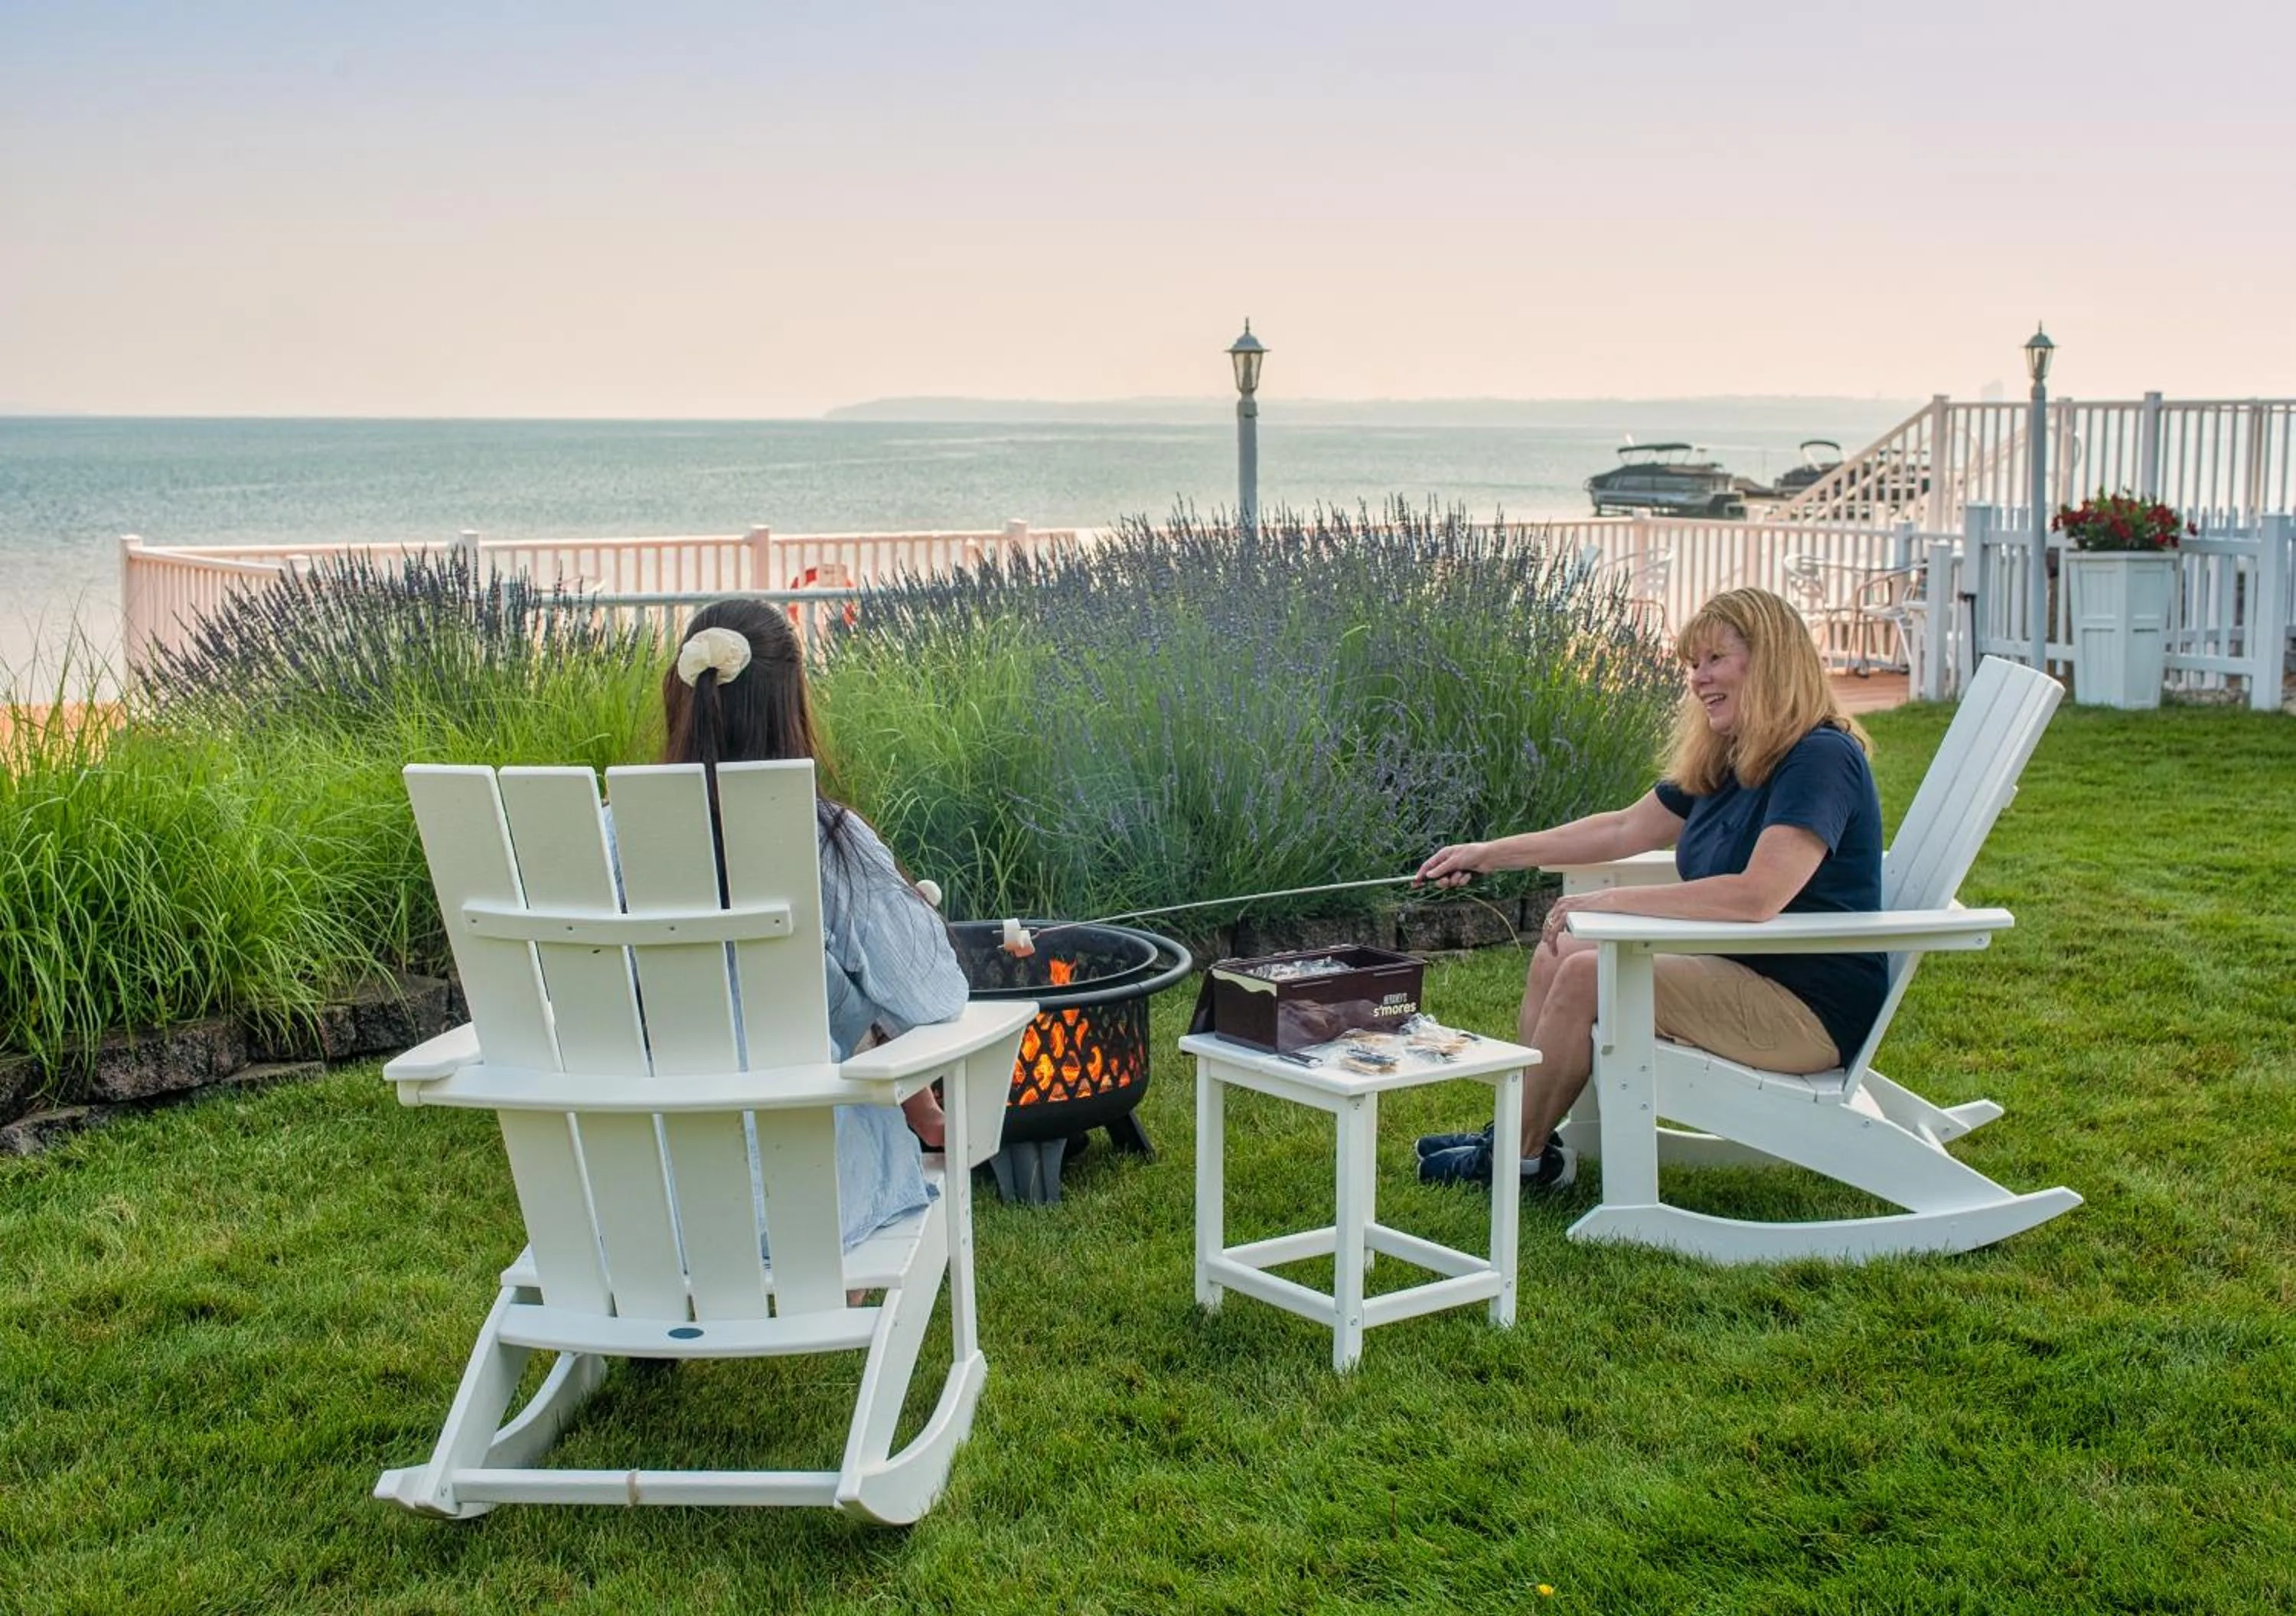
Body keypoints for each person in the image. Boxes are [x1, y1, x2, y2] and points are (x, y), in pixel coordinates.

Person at [1411, 586, 1885, 1191]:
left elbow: (1757, 895)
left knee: (1588, 973)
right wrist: (1490, 854)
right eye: (1693, 664)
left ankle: (1518, 1160)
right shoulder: (1733, 756)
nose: (1698, 678)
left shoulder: (1820, 757)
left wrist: (1609, 903)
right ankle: (1520, 1132)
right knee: (1561, 952)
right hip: (1744, 977)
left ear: (1769, 660)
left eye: (1715, 659)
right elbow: (1623, 828)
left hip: (1807, 1010)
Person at [616, 598, 969, 1250]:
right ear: (791, 703)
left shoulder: (612, 841)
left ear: (684, 696)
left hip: (636, 1206)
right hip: (807, 1201)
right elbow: (935, 999)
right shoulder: (830, 843)